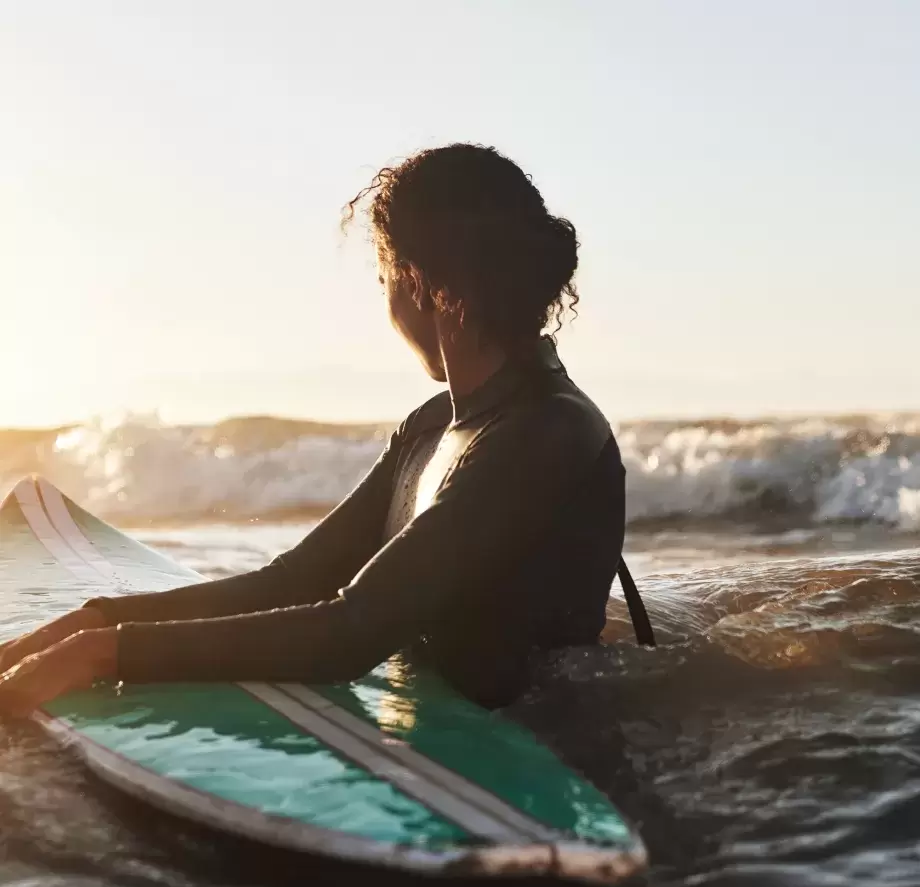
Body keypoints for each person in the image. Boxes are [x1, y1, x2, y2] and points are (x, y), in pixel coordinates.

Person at [0, 143, 653, 716]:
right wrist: (94, 623)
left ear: (418, 283)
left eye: (382, 279)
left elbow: (350, 633)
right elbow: (292, 582)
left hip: (549, 751)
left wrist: (105, 656)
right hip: (447, 722)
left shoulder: (546, 432)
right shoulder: (432, 427)